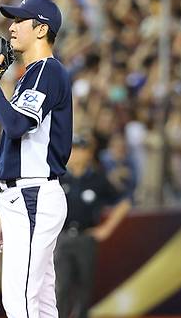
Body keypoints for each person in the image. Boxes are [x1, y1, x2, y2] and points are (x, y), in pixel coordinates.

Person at [0, 0, 72, 318]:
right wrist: (3, 221)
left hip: (33, 195)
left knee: (20, 301)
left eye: (20, 20)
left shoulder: (47, 71)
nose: (11, 27)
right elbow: (22, 150)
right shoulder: (34, 73)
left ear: (41, 29)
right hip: (27, 197)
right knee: (40, 302)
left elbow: (16, 126)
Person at [55, 135, 131, 318]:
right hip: (62, 238)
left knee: (84, 289)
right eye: (72, 149)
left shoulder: (98, 178)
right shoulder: (59, 177)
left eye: (80, 149)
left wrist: (106, 229)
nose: (75, 154)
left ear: (88, 153)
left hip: (86, 238)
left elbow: (124, 201)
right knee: (61, 288)